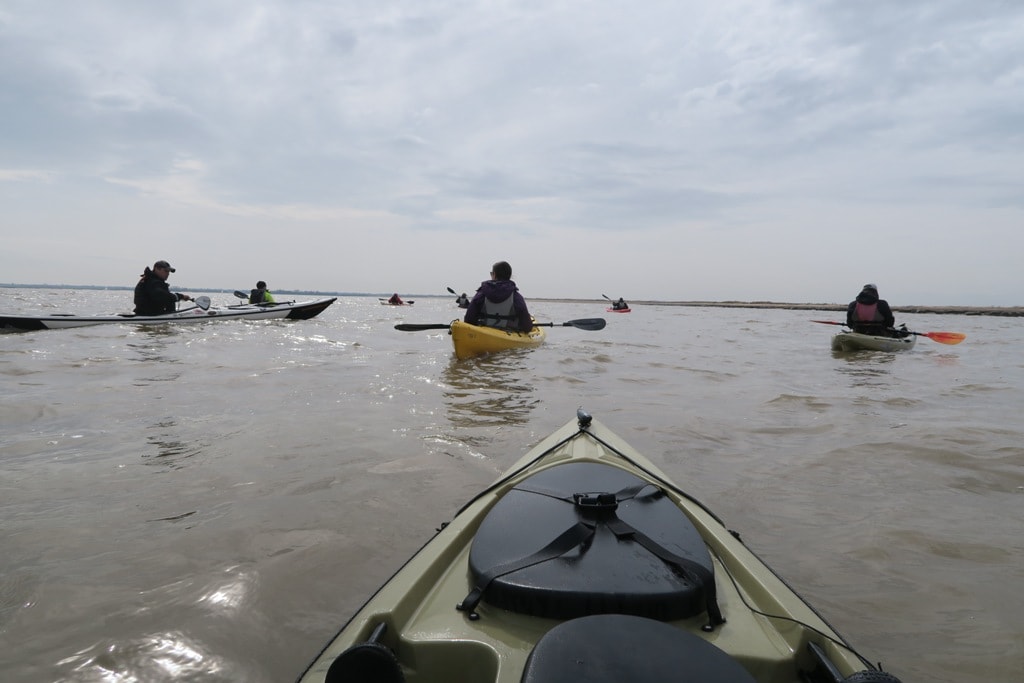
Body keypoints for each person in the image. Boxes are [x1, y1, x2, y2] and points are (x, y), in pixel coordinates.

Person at [464, 261, 533, 332]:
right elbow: (527, 327)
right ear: (509, 276)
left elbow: (469, 320)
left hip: (484, 333)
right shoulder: (516, 297)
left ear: (494, 274)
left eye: (491, 273)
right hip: (508, 334)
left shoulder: (481, 294)